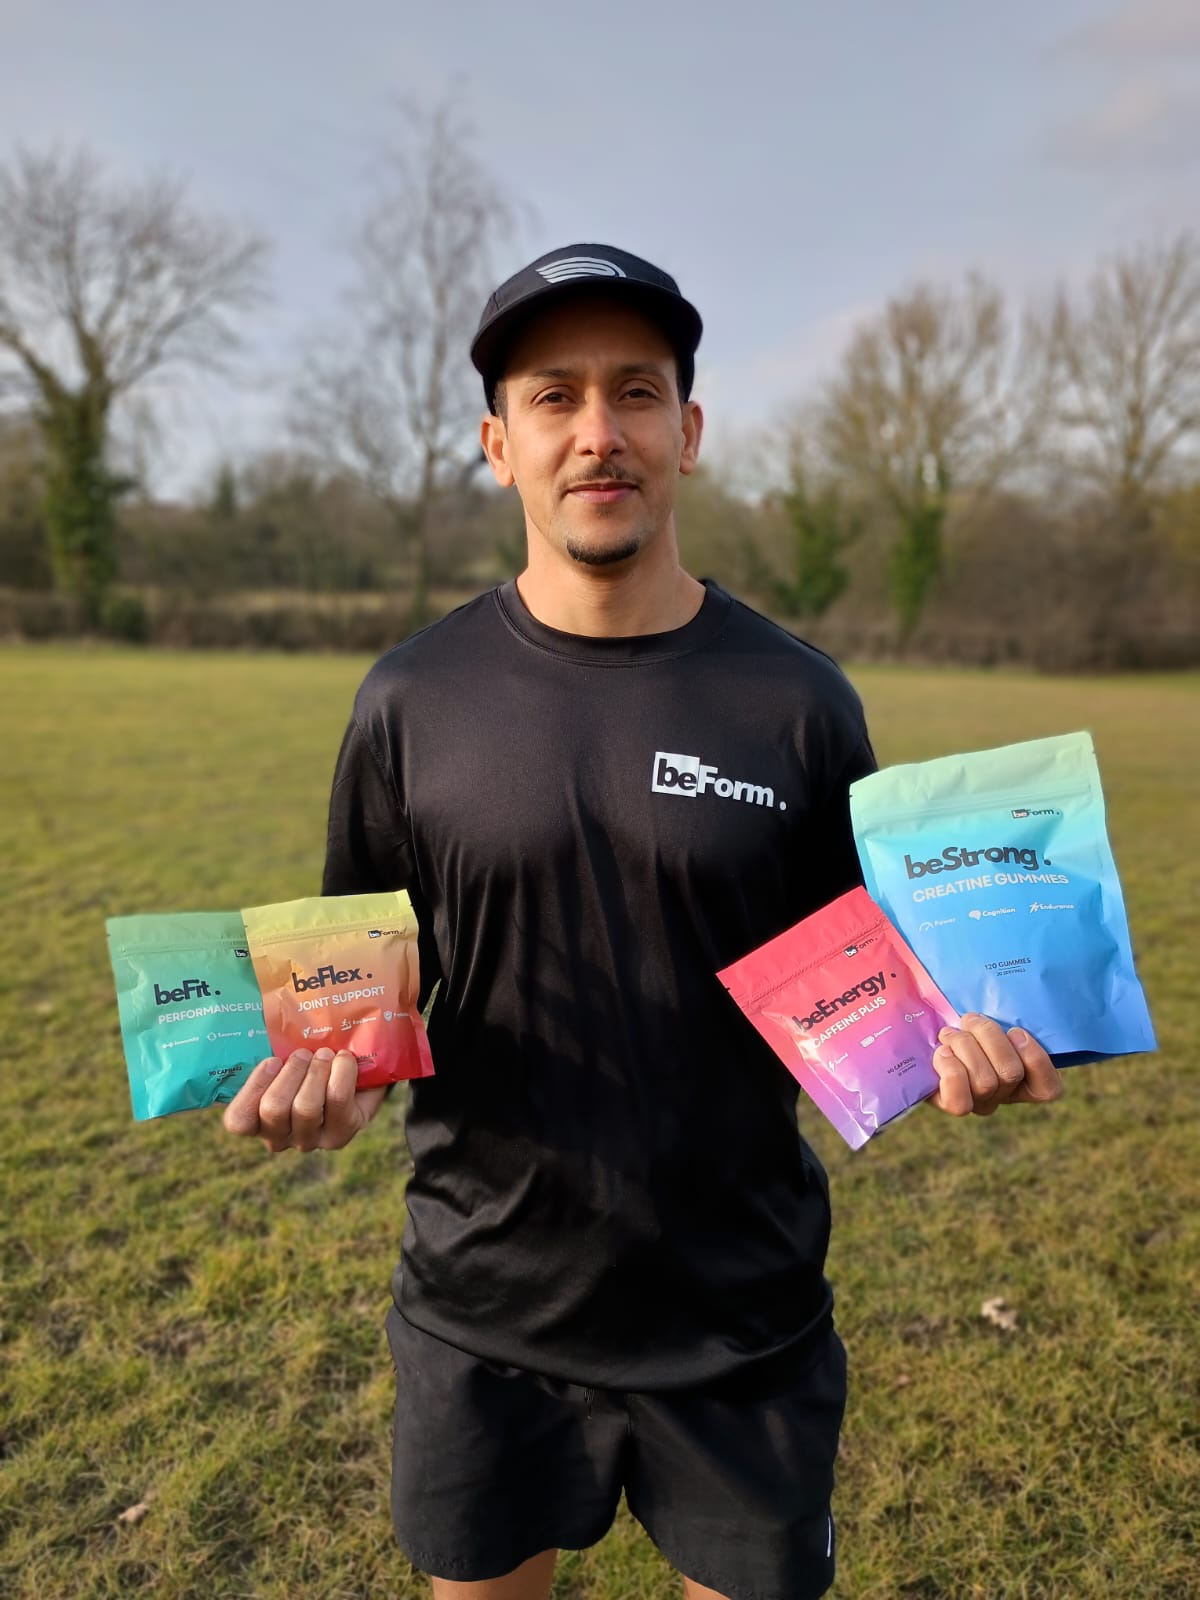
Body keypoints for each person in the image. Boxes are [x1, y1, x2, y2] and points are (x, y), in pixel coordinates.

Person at [224, 244, 1063, 1600]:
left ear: (691, 430)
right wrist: (324, 1091)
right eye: (555, 397)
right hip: (484, 1313)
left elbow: (894, 989)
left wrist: (966, 1052)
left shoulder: (799, 705)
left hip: (741, 1325)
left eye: (636, 392)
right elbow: (358, 1010)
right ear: (500, 442)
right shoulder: (407, 700)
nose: (597, 433)